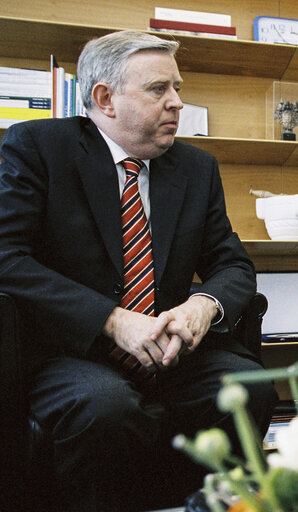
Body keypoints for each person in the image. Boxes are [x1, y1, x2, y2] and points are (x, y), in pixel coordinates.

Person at [0, 31, 278, 511]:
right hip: (71, 350)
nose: (177, 103)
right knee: (105, 406)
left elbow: (231, 262)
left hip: (171, 350)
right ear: (105, 99)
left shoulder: (196, 168)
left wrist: (201, 307)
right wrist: (111, 319)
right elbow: (6, 256)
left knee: (248, 387)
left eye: (178, 88)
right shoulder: (38, 147)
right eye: (158, 89)